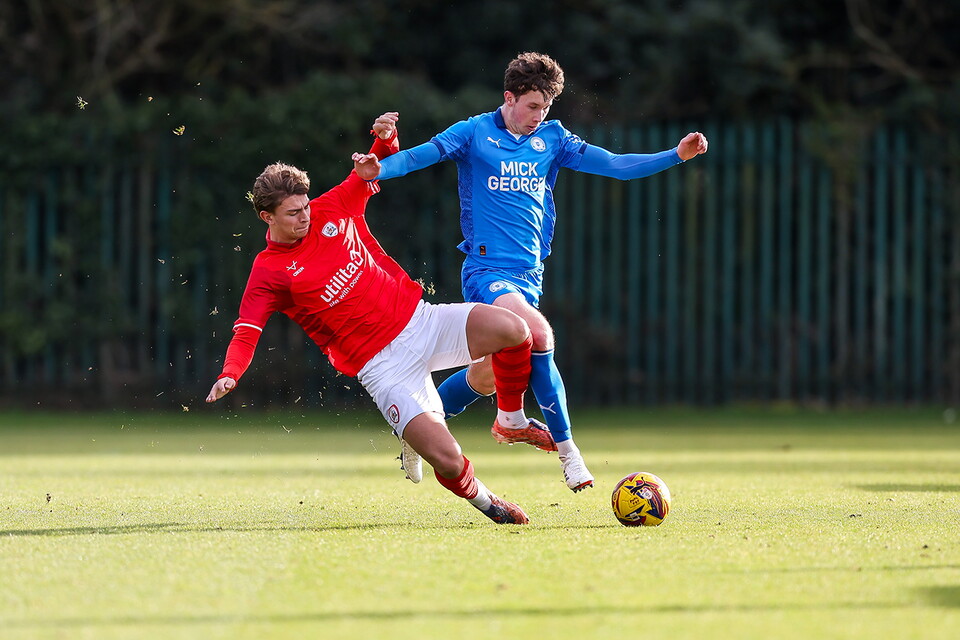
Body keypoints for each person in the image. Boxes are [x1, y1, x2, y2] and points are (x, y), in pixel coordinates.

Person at [354, 52, 708, 493]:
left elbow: (615, 165)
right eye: (533, 106)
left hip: (528, 276)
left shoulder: (553, 140)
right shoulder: (474, 132)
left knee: (488, 374)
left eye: (546, 107)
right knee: (537, 334)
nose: (539, 116)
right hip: (486, 271)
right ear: (509, 97)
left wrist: (676, 154)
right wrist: (380, 167)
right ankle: (564, 450)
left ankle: (414, 431)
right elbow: (422, 155)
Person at [206, 112, 538, 525]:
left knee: (515, 329)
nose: (304, 217)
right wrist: (231, 372)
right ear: (266, 217)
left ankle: (509, 420)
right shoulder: (268, 271)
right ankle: (490, 504)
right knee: (449, 461)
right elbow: (247, 329)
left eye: (305, 207)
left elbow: (368, 172)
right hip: (383, 366)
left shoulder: (332, 207)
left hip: (423, 322)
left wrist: (385, 139)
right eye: (292, 213)